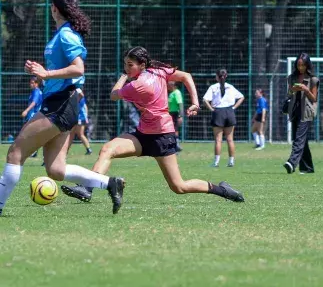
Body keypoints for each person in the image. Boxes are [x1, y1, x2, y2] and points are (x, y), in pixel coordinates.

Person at [61, 46, 245, 206]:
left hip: (161, 137)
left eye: (130, 65)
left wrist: (124, 76)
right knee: (108, 149)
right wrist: (195, 102)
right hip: (143, 134)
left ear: (142, 65)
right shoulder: (160, 70)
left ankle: (223, 190)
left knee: (179, 186)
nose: (126, 68)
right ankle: (88, 189)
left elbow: (114, 95)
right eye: (125, 64)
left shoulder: (138, 85)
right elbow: (187, 76)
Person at [0, 0, 123, 217]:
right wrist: (41, 72)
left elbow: (78, 68)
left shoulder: (66, 34)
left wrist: (46, 74)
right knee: (56, 170)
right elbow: (64, 70)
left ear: (54, 8)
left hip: (60, 103)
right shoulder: (64, 33)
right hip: (64, 103)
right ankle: (110, 183)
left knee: (15, 153)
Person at [283, 52, 319, 174]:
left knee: (299, 138)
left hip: (307, 112)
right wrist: (292, 90)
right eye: (298, 65)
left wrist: (306, 90)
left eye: (303, 65)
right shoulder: (291, 77)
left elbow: (314, 98)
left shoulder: (313, 79)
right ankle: (307, 167)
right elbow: (288, 94)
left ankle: (292, 163)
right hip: (294, 111)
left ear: (307, 65)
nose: (300, 67)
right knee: (301, 139)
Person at [203, 69, 245, 167]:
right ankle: (231, 162)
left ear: (217, 77)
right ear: (226, 76)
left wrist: (211, 109)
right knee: (230, 139)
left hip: (218, 112)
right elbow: (242, 97)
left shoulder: (213, 87)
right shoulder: (231, 87)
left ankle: (216, 162)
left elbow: (205, 100)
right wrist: (234, 107)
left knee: (218, 140)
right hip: (230, 112)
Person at [21, 76, 43, 157]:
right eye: (30, 83)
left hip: (34, 116)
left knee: (27, 133)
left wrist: (26, 111)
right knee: (32, 134)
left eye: (32, 83)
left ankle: (32, 152)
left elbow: (34, 103)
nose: (30, 84)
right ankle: (33, 152)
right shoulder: (35, 91)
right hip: (33, 116)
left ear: (37, 84)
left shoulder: (36, 92)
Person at [68, 89, 92, 155]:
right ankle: (88, 149)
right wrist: (86, 117)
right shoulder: (78, 98)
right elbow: (85, 107)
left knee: (79, 134)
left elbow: (82, 96)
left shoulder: (78, 97)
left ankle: (88, 149)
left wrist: (85, 117)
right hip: (80, 117)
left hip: (80, 117)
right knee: (72, 134)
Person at [167, 81, 184, 152]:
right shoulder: (171, 93)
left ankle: (176, 146)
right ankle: (175, 145)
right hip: (170, 114)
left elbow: (180, 104)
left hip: (175, 114)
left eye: (169, 84)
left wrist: (180, 116)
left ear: (173, 85)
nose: (167, 85)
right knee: (172, 130)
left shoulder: (177, 93)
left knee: (175, 129)